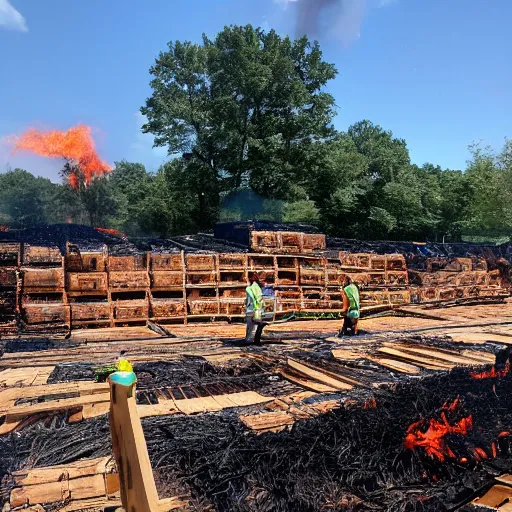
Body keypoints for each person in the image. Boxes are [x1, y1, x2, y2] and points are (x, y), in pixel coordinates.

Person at [245, 272, 263, 344]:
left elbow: (259, 298)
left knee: (253, 325)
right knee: (250, 325)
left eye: (247, 277)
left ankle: (251, 340)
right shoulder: (251, 287)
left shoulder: (255, 287)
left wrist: (258, 309)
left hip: (254, 309)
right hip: (250, 309)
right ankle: (249, 339)